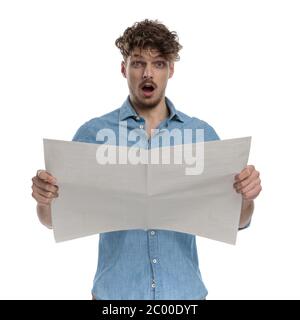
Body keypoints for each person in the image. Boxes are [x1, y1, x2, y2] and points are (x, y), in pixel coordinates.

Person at [31, 19, 262, 300]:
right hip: (115, 296)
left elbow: (237, 221)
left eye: (159, 63)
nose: (147, 73)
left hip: (184, 295)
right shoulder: (92, 134)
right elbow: (53, 220)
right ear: (123, 69)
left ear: (171, 70)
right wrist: (45, 200)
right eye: (138, 63)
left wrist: (247, 197)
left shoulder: (201, 135)